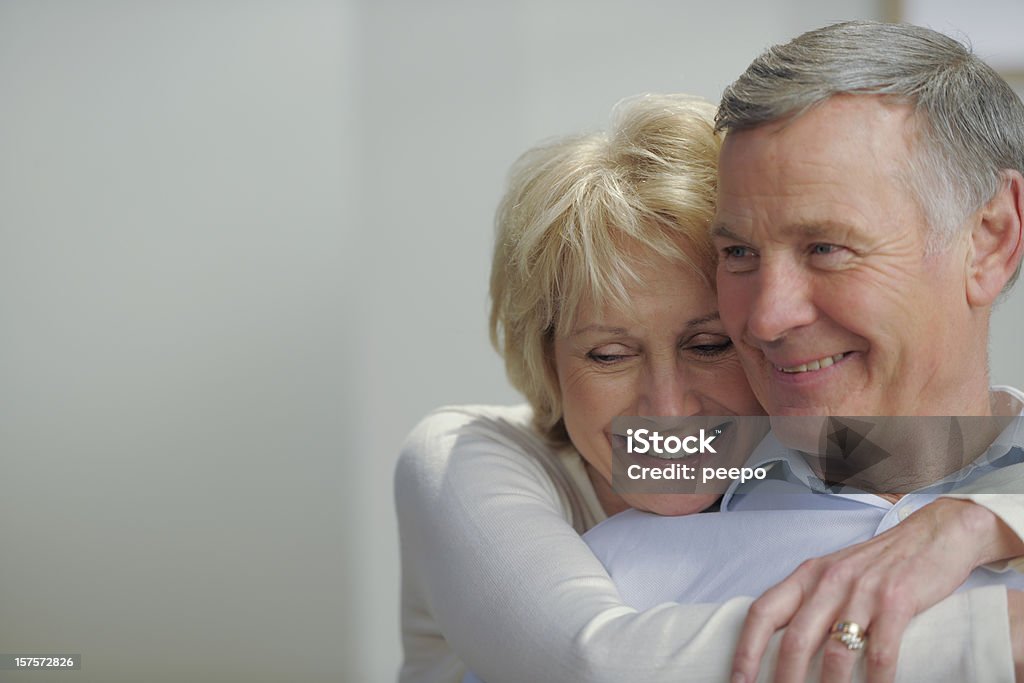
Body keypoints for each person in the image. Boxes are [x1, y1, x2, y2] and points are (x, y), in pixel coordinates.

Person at [396, 91, 1024, 683]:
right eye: (609, 355)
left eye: (708, 345)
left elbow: (972, 439)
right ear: (548, 359)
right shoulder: (464, 458)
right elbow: (593, 663)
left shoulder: (786, 450)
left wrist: (979, 518)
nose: (667, 410)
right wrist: (993, 638)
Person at [582, 20, 1024, 683]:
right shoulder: (604, 580)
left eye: (826, 248)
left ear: (990, 240)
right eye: (739, 253)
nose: (766, 316)